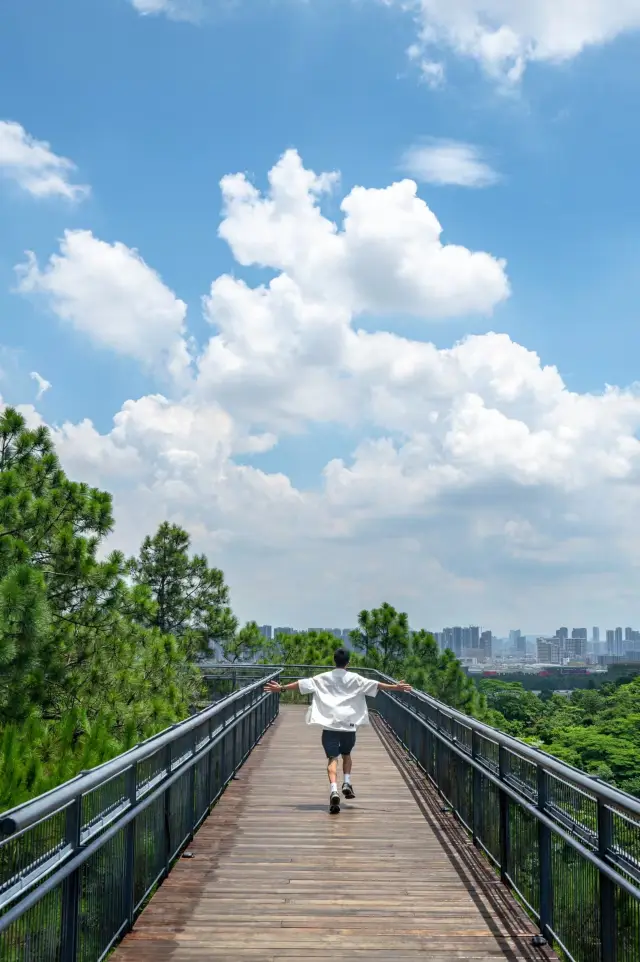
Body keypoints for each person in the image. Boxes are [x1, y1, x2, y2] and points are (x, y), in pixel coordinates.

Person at [264, 648, 412, 814]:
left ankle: (334, 790)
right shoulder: (355, 678)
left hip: (330, 725)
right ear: (348, 662)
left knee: (332, 758)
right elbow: (376, 685)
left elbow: (302, 684)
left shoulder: (323, 677)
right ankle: (347, 782)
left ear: (334, 661)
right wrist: (396, 687)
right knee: (346, 754)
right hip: (349, 724)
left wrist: (281, 688)